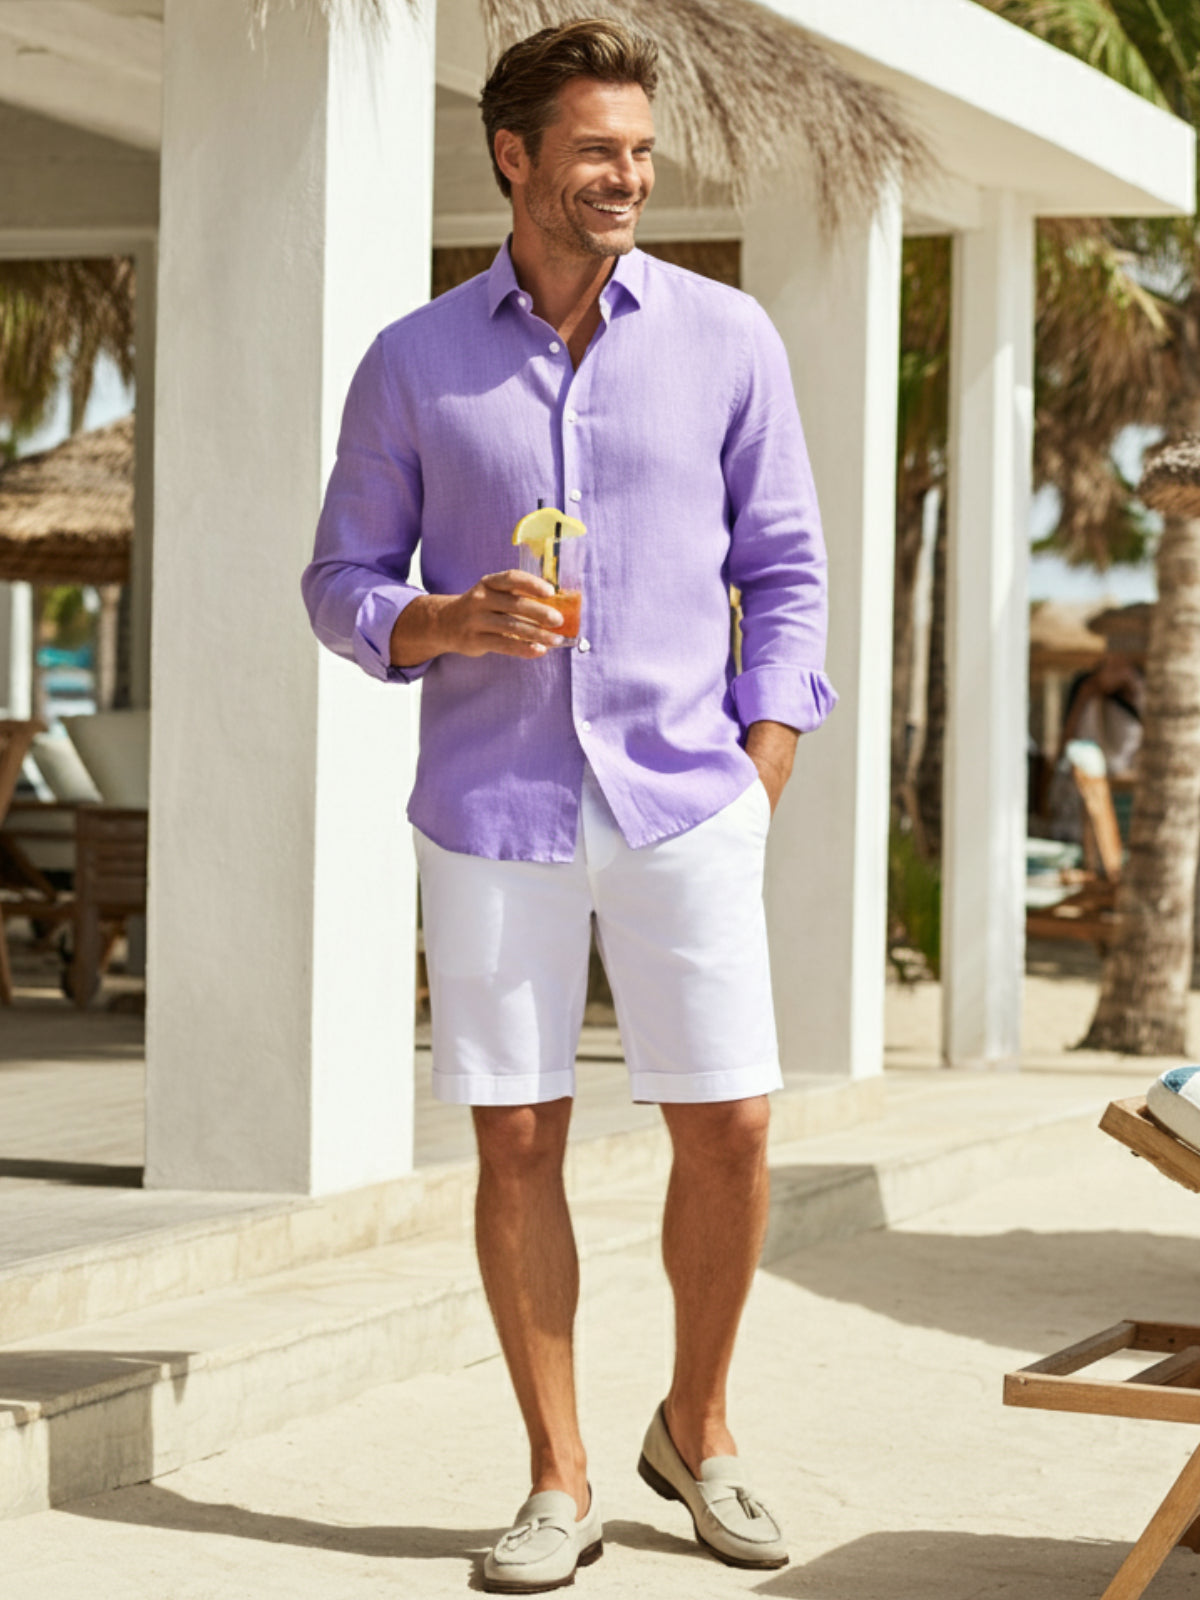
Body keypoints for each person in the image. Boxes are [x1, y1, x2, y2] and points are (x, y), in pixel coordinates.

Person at [302, 20, 835, 1593]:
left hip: (686, 794)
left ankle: (700, 1431)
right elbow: (337, 579)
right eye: (598, 150)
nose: (628, 177)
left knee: (731, 1124)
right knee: (519, 1137)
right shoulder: (413, 360)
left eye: (642, 153)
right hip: (491, 806)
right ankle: (559, 1476)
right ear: (514, 157)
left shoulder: (729, 337)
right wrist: (441, 621)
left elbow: (787, 571)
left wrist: (761, 764)